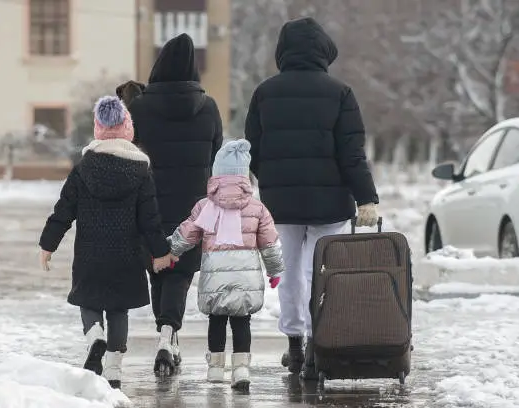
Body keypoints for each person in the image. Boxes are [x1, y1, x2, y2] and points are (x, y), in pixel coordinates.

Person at [244, 17, 380, 379]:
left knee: (287, 273)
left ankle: (294, 344)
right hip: (330, 203)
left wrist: (269, 178)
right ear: (324, 51)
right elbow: (352, 155)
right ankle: (317, 350)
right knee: (322, 273)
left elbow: (252, 148)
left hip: (280, 204)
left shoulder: (264, 92)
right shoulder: (340, 92)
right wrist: (366, 198)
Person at [38, 95, 177, 389]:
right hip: (127, 254)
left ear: (98, 130)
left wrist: (48, 244)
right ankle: (113, 369)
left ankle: (94, 337)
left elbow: (64, 210)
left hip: (90, 251)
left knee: (88, 300)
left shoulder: (83, 168)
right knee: (118, 309)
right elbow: (150, 219)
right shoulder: (141, 171)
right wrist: (160, 252)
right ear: (128, 130)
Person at [128, 33, 224, 375]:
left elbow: (128, 148)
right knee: (180, 272)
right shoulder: (208, 107)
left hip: (148, 199)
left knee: (159, 265)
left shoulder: (139, 106)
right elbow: (216, 155)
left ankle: (166, 334)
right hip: (193, 204)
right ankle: (169, 333)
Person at [168, 140, 285, 390]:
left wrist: (169, 252)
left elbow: (188, 233)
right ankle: (241, 369)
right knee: (242, 322)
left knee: (217, 320)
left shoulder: (205, 207)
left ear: (216, 175)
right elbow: (270, 244)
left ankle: (215, 369)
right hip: (246, 280)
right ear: (244, 176)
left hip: (215, 279)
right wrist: (275, 271)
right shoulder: (257, 208)